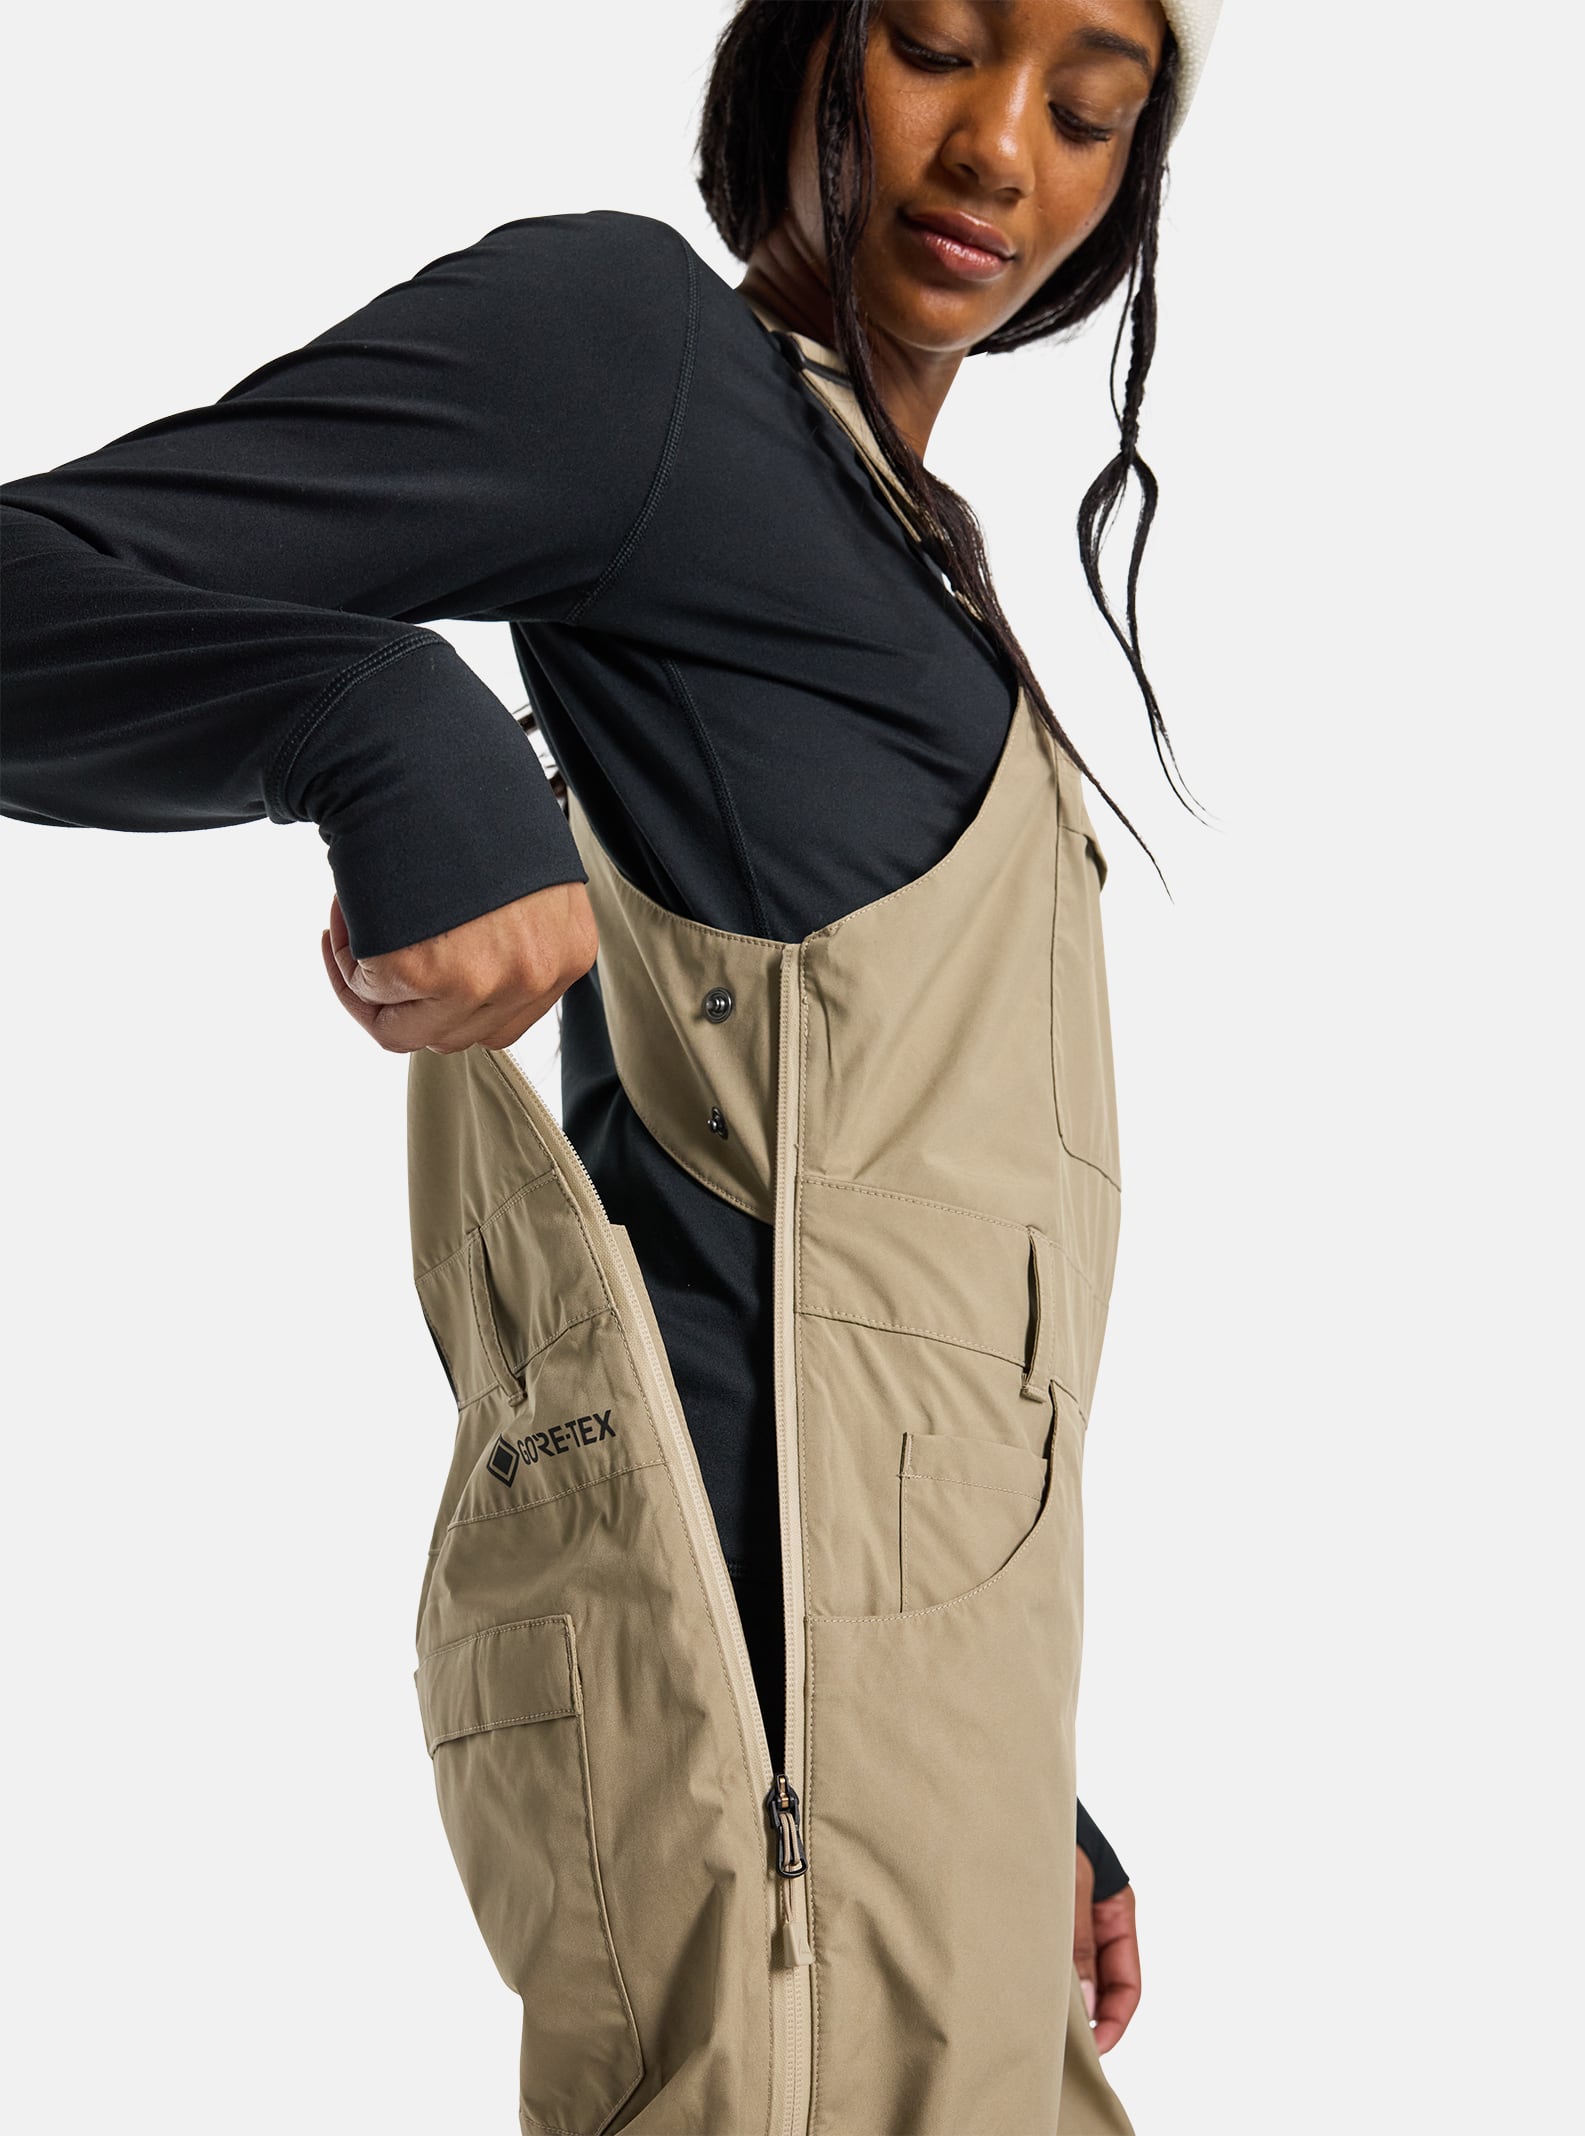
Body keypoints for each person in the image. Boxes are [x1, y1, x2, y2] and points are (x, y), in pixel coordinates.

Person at [1, 1, 1221, 2127]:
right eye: (939, 43)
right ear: (808, 48)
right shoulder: (631, 359)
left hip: (905, 1776)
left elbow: (804, 1235)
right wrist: (390, 733)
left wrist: (1002, 1754)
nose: (1000, 148)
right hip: (752, 1787)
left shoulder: (912, 546)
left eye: (1089, 105)